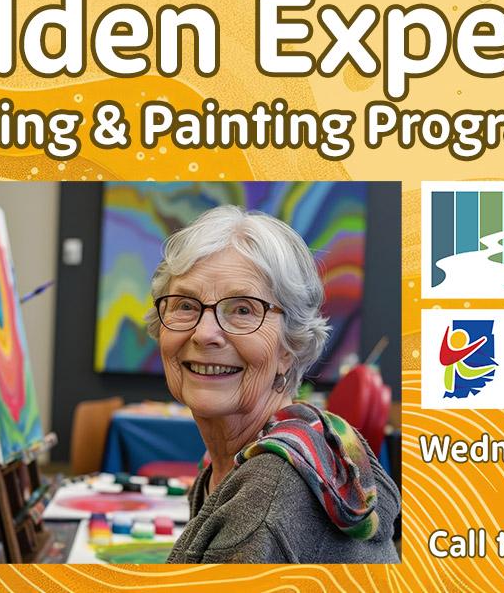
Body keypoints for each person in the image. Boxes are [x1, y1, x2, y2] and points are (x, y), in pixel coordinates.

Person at [145, 205, 400, 564]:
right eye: (186, 305)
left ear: (290, 346)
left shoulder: (267, 502)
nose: (204, 333)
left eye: (244, 310)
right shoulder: (234, 461)